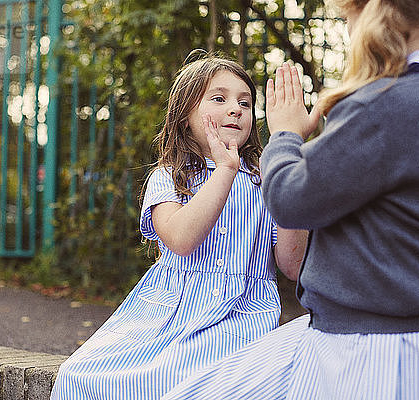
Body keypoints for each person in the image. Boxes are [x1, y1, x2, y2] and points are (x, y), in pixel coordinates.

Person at [163, 0, 419, 399]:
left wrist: (285, 136)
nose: (348, 30)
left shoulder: (382, 103)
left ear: (375, 10)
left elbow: (292, 199)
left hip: (376, 347)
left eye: (347, 18)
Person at [50, 52, 309, 400]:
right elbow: (181, 239)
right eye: (220, 98)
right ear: (186, 117)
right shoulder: (168, 177)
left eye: (245, 103)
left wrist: (290, 163)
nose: (236, 109)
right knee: (76, 376)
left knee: (202, 384)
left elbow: (293, 266)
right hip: (165, 318)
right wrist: (224, 171)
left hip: (239, 319)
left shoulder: (266, 181)